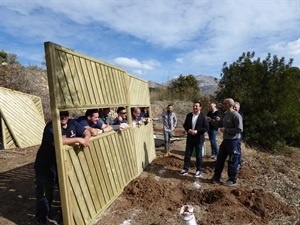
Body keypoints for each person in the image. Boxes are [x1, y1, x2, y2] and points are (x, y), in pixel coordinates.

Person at [34, 111, 91, 224]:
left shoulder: (73, 123)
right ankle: (42, 219)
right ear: (55, 115)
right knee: (45, 193)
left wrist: (86, 138)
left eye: (65, 114)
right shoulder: (50, 126)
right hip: (45, 166)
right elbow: (58, 141)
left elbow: (86, 132)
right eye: (61, 115)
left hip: (59, 165)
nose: (63, 117)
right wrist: (79, 139)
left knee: (64, 189)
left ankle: (64, 214)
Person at [208, 98, 243, 186]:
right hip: (225, 141)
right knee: (220, 159)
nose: (223, 105)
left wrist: (226, 130)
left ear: (228, 104)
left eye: (224, 103)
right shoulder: (225, 114)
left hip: (233, 141)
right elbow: (220, 124)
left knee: (232, 161)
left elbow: (239, 129)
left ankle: (232, 180)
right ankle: (216, 177)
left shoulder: (236, 115)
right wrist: (211, 121)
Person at [179, 101, 209, 177]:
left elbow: (206, 128)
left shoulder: (203, 117)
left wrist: (197, 131)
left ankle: (198, 170)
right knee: (187, 154)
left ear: (200, 107)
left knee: (199, 155)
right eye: (194, 106)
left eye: (196, 106)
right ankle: (185, 169)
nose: (195, 107)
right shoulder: (189, 115)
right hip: (190, 138)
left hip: (198, 138)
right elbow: (185, 125)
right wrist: (188, 130)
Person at [233, 101, 244, 170]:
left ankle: (239, 163)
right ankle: (234, 161)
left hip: (238, 135)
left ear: (239, 108)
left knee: (238, 149)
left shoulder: (240, 115)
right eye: (233, 107)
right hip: (231, 136)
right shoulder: (231, 114)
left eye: (236, 107)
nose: (234, 108)